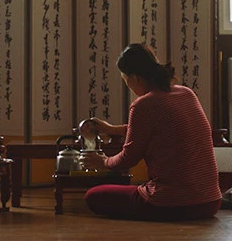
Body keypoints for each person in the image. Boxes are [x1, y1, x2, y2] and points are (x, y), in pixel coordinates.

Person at [81, 43, 222, 221]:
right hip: (210, 202)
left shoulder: (143, 105)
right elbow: (158, 131)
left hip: (173, 204)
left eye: (125, 80)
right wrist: (110, 129)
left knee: (94, 195)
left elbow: (128, 159)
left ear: (134, 78)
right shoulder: (186, 93)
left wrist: (103, 162)